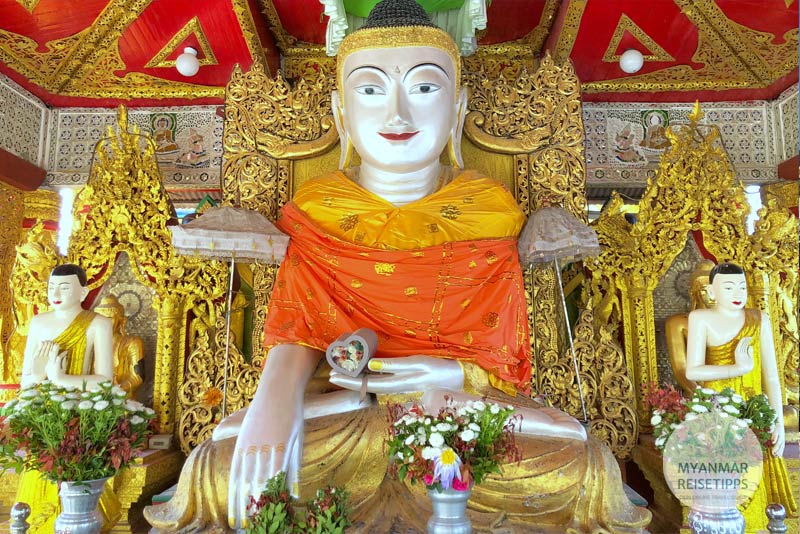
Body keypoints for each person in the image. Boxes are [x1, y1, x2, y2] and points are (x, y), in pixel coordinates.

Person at [144, 1, 650, 531]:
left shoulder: (490, 210)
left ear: (458, 109)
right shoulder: (317, 211)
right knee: (220, 467)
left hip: (452, 403)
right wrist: (274, 402)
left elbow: (499, 351)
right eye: (370, 89)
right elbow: (302, 327)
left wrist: (449, 373)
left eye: (426, 88)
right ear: (341, 113)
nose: (397, 115)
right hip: (346, 411)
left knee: (582, 463)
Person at [685, 262, 797, 531]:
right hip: (716, 413)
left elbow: (771, 376)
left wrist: (778, 421)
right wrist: (737, 368)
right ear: (711, 291)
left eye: (742, 286)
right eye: (728, 286)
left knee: (754, 485)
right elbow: (693, 371)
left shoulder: (759, 319)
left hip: (753, 409)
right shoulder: (700, 319)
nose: (738, 292)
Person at [16, 263, 121, 533]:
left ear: (83, 291)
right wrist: (38, 377)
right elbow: (27, 380)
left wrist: (63, 379)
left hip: (80, 414)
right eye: (52, 287)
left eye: (65, 287)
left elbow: (105, 381)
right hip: (45, 417)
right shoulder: (39, 323)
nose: (56, 292)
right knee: (41, 487)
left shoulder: (98, 324)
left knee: (77, 493)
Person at [93, 294, 144, 399]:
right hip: (94, 397)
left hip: (122, 399)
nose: (104, 323)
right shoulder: (90, 345)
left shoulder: (132, 343)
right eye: (100, 319)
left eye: (109, 319)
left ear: (122, 321)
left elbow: (137, 377)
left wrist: (117, 389)